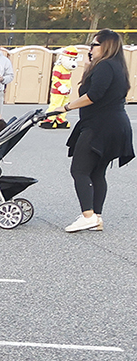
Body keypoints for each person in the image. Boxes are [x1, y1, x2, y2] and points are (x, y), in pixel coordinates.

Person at [56, 29, 131, 232]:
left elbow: (93, 95)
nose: (90, 49)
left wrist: (66, 107)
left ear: (106, 46)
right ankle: (96, 217)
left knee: (79, 170)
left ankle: (87, 215)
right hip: (115, 125)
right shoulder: (116, 66)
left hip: (100, 126)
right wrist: (89, 68)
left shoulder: (106, 66)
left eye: (94, 45)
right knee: (97, 172)